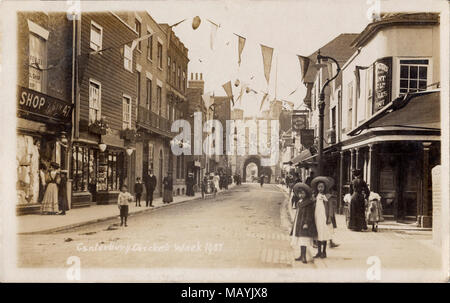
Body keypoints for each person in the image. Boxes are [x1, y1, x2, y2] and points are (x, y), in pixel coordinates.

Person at [290, 183, 317, 264]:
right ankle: (301, 255)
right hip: (299, 222)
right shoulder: (300, 202)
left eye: (302, 193)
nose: (301, 195)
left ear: (306, 194)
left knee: (304, 240)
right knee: (300, 240)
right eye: (299, 193)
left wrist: (306, 223)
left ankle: (304, 256)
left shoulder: (308, 203)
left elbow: (309, 214)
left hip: (305, 224)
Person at [311, 176, 334, 259]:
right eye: (319, 187)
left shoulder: (327, 196)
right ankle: (318, 252)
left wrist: (329, 217)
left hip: (324, 217)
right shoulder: (315, 196)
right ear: (317, 188)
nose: (320, 188)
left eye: (322, 187)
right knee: (318, 234)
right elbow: (313, 206)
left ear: (325, 188)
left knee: (324, 234)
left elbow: (331, 208)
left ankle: (324, 252)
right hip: (317, 217)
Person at [326, 178, 340, 248]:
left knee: (329, 228)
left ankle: (330, 241)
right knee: (329, 228)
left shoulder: (328, 194)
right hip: (326, 213)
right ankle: (330, 242)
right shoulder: (327, 195)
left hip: (328, 213)